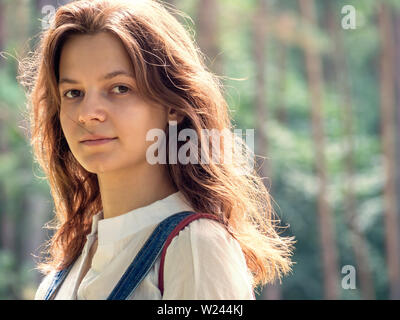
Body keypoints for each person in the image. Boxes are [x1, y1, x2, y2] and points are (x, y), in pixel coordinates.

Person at [19, 0, 295, 300]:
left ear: (173, 107)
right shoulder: (62, 273)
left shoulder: (196, 249)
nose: (87, 113)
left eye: (120, 88)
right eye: (73, 93)